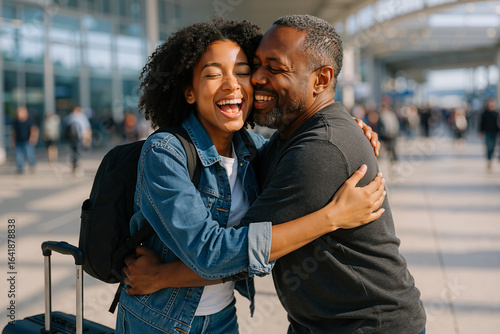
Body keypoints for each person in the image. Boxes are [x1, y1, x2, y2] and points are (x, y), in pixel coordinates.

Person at [125, 15, 427, 334]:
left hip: (357, 325)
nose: (252, 79)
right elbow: (223, 252)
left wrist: (162, 275)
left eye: (266, 68)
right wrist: (332, 216)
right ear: (189, 91)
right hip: (163, 319)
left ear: (321, 80)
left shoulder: (281, 147)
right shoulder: (175, 151)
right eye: (255, 66)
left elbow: (244, 253)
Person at [63, 105, 92, 176]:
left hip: (70, 138)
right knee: (78, 151)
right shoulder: (81, 116)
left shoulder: (67, 117)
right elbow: (87, 128)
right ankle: (76, 165)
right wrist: (88, 139)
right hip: (79, 137)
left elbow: (64, 128)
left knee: (73, 151)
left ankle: (74, 164)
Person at [11, 106, 39, 173]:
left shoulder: (29, 121)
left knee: (30, 155)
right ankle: (20, 168)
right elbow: (14, 132)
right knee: (19, 156)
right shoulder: (16, 122)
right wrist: (12, 141)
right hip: (18, 141)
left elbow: (34, 130)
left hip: (27, 142)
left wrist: (33, 139)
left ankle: (32, 164)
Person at [479, 97, 499, 170]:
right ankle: (489, 160)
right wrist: (480, 131)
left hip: (495, 132)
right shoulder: (484, 113)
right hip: (487, 132)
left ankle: (491, 159)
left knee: (493, 147)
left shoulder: (496, 113)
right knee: (488, 147)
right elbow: (481, 123)